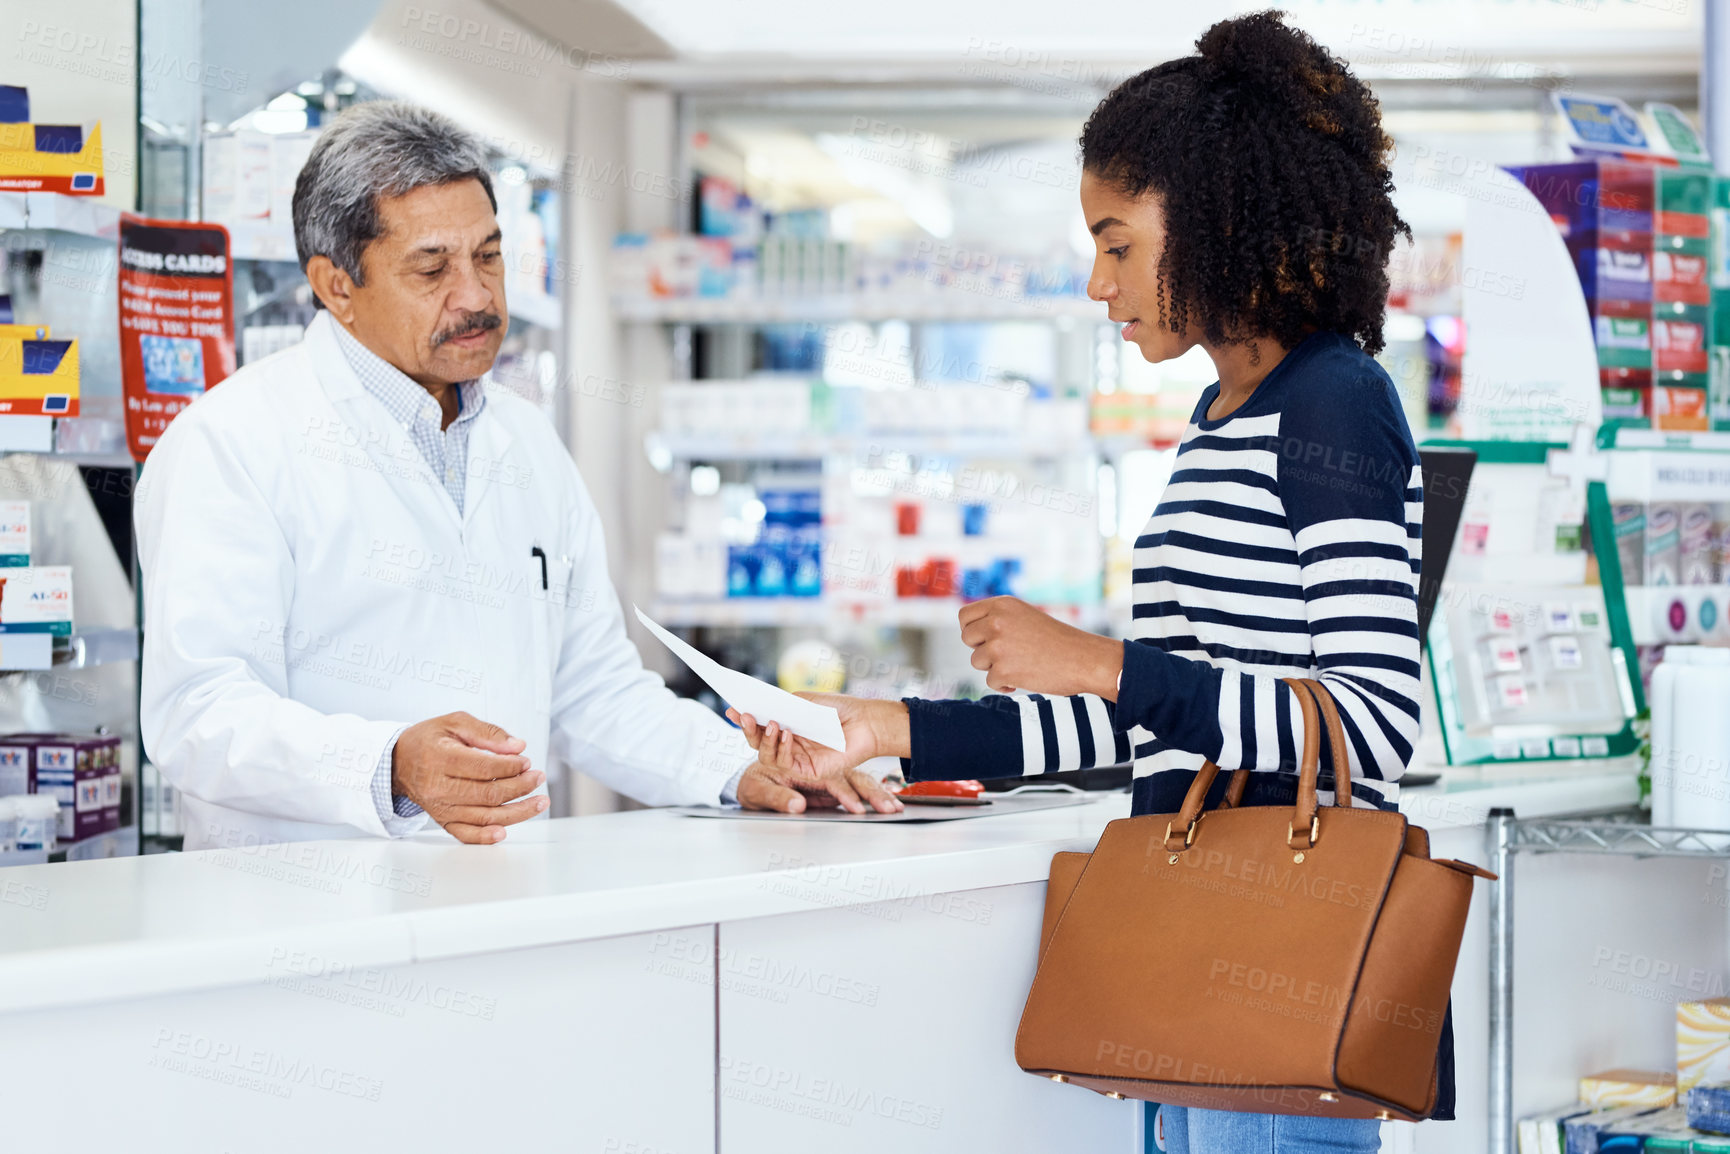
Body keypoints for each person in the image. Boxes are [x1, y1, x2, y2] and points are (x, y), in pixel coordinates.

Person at [734, 12, 1429, 1153]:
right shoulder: (1221, 418)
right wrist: (881, 728)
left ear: (1213, 223)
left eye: (1117, 243)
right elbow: (1143, 725)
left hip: (1274, 982)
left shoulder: (1331, 402)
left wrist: (1103, 659)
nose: (1097, 283)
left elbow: (1368, 727)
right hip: (1189, 969)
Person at [137, 101, 898, 852]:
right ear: (337, 286)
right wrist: (388, 766)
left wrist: (742, 769)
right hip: (304, 923)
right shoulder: (233, 443)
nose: (475, 297)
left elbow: (594, 690)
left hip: (503, 908)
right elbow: (198, 712)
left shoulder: (526, 442)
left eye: (489, 256)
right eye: (431, 268)